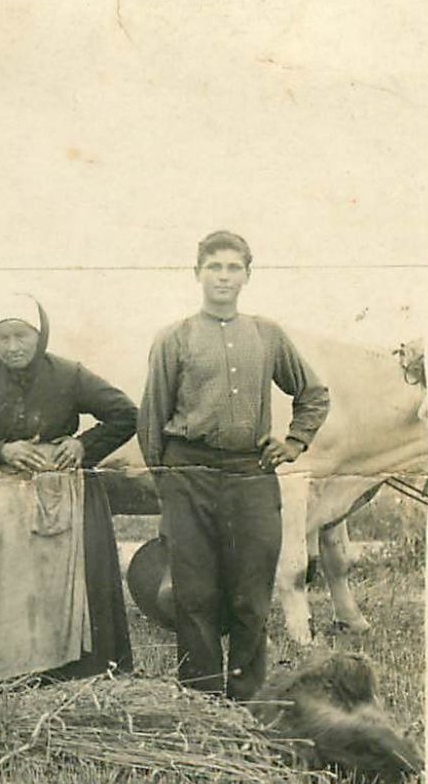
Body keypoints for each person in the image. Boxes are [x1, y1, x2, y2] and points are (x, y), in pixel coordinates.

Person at [138, 231, 330, 700]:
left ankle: (247, 702)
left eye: (233, 267)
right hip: (190, 475)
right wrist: (170, 488)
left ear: (247, 274)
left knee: (250, 596)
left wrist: (294, 442)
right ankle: (201, 704)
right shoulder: (174, 338)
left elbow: (313, 394)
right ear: (197, 273)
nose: (223, 276)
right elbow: (151, 421)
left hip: (250, 477)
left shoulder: (267, 334)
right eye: (214, 267)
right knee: (196, 596)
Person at [0, 296, 138, 682]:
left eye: (22, 336)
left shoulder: (68, 374)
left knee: (66, 586)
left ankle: (72, 673)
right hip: (3, 495)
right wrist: (0, 450)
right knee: (8, 588)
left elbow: (126, 414)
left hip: (62, 490)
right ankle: (10, 673)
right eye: (3, 337)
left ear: (39, 335)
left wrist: (84, 444)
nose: (13, 346)